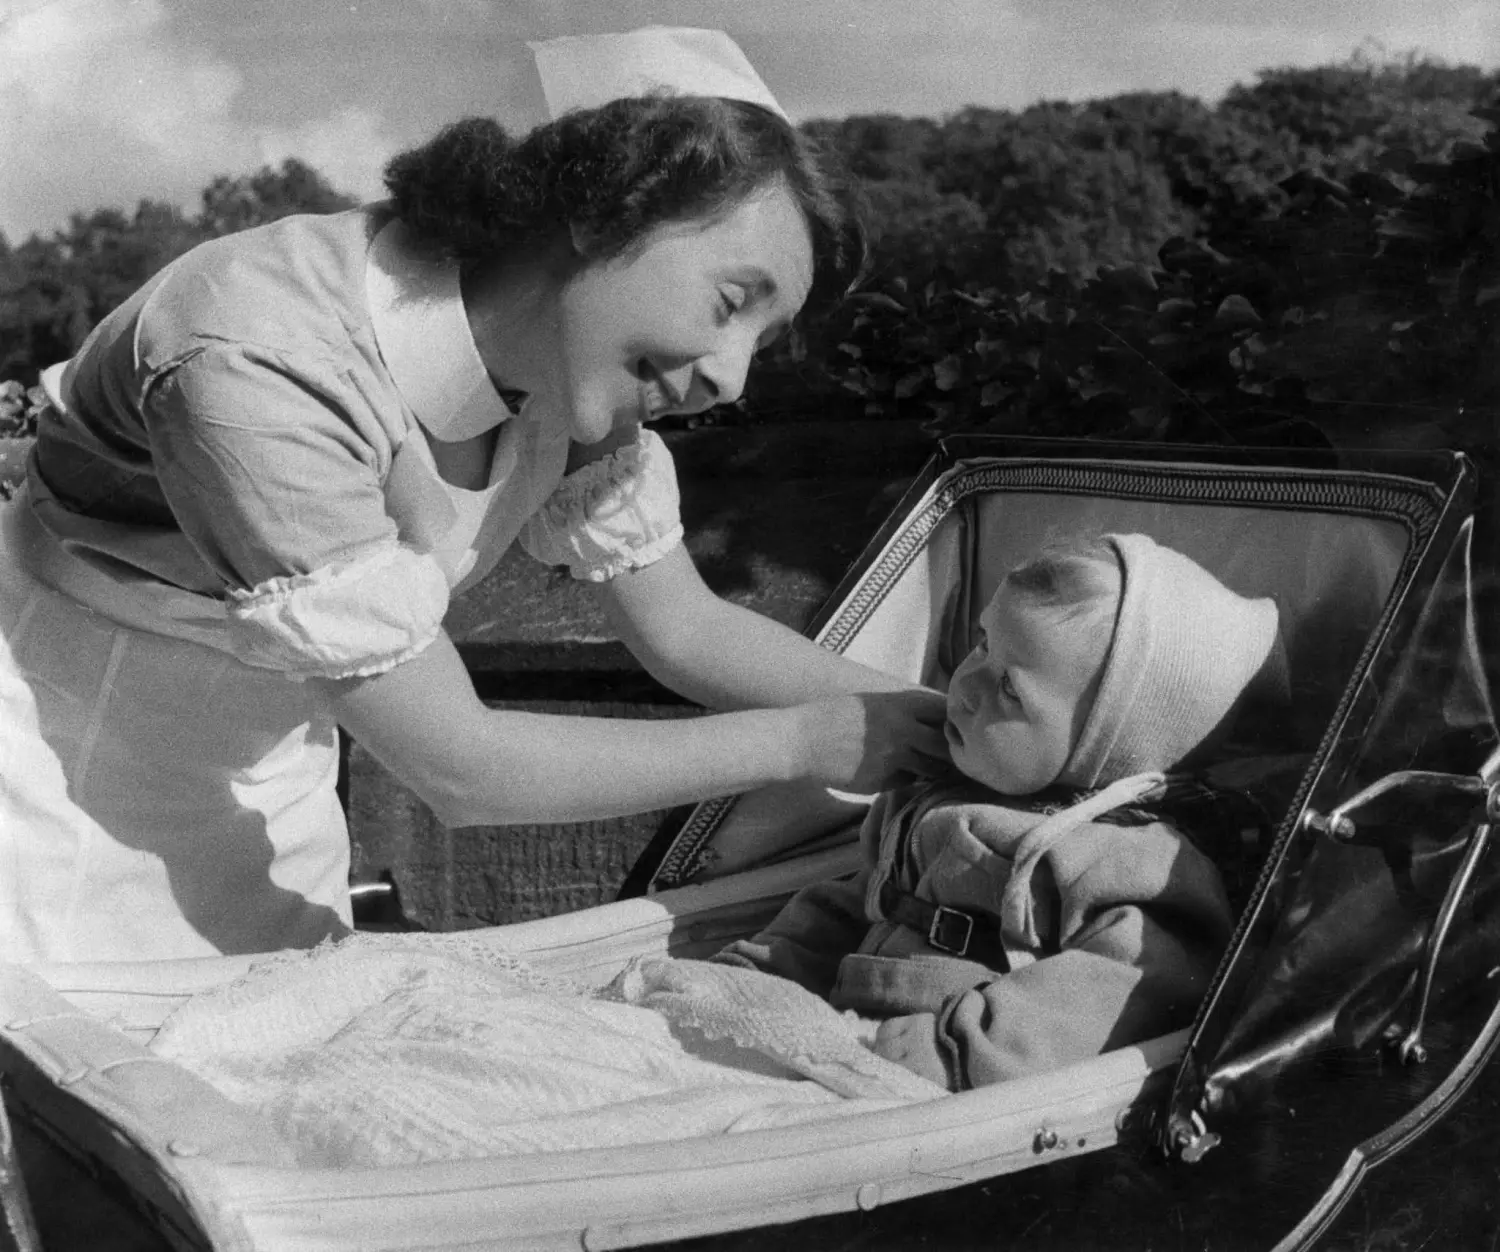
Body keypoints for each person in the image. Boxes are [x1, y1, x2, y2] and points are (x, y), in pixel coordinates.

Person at [0, 27, 948, 965]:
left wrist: (973, 728)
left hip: (275, 785)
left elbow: (686, 632)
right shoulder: (256, 359)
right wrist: (802, 745)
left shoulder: (571, 371)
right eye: (732, 301)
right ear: (609, 208)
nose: (733, 380)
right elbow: (459, 767)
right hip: (61, 783)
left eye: (765, 344)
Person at [716, 533, 1283, 1091]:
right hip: (850, 1036)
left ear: (1102, 749)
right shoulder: (935, 789)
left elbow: (1130, 982)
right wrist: (770, 966)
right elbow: (856, 902)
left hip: (949, 1077)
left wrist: (963, 1047)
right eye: (985, 642)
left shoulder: (1116, 854)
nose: (965, 684)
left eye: (1010, 689)